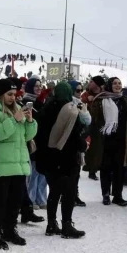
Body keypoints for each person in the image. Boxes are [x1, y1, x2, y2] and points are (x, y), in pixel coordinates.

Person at [0, 78, 38, 250]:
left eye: (14, 94)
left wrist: (30, 121)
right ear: (0, 95)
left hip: (18, 163)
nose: (13, 98)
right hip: (0, 165)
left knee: (15, 201)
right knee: (0, 202)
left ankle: (10, 229)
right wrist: (14, 119)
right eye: (9, 94)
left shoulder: (17, 111)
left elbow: (27, 136)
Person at [34, 82, 87, 238]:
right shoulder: (70, 110)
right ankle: (66, 225)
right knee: (69, 193)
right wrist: (84, 145)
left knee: (54, 192)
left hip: (48, 158)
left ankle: (51, 224)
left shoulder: (46, 108)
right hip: (66, 158)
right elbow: (75, 137)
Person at [89, 77, 127, 207]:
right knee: (105, 168)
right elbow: (94, 118)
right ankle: (105, 194)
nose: (117, 85)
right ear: (109, 85)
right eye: (115, 83)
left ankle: (118, 195)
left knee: (120, 168)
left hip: (122, 140)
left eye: (119, 83)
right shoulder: (101, 100)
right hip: (105, 140)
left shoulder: (125, 100)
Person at [24, 78, 47, 210]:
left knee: (41, 171)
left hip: (43, 142)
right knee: (32, 173)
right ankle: (31, 199)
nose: (39, 88)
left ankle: (41, 198)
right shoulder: (26, 102)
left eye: (40, 86)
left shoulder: (42, 102)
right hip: (33, 141)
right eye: (36, 86)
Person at [68, 80, 91, 207]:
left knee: (76, 171)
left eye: (81, 90)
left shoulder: (80, 103)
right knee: (69, 172)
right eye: (77, 90)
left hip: (78, 140)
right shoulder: (69, 104)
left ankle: (73, 194)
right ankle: (68, 194)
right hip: (69, 142)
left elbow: (88, 121)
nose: (80, 92)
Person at [83, 76, 105, 180]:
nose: (89, 83)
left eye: (92, 81)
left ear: (97, 84)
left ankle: (93, 170)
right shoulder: (86, 94)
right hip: (87, 124)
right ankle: (87, 165)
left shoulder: (104, 95)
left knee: (97, 148)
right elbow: (80, 103)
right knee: (87, 147)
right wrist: (87, 100)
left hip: (100, 125)